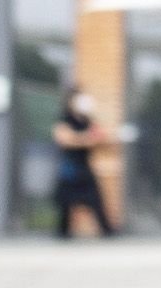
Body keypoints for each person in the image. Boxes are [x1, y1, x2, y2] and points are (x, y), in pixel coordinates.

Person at [49, 84, 119, 242]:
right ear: (71, 101)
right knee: (66, 204)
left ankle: (107, 230)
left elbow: (100, 137)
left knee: (95, 200)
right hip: (71, 167)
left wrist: (102, 139)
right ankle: (63, 233)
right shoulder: (65, 119)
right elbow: (63, 139)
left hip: (85, 167)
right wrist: (87, 139)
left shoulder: (87, 120)